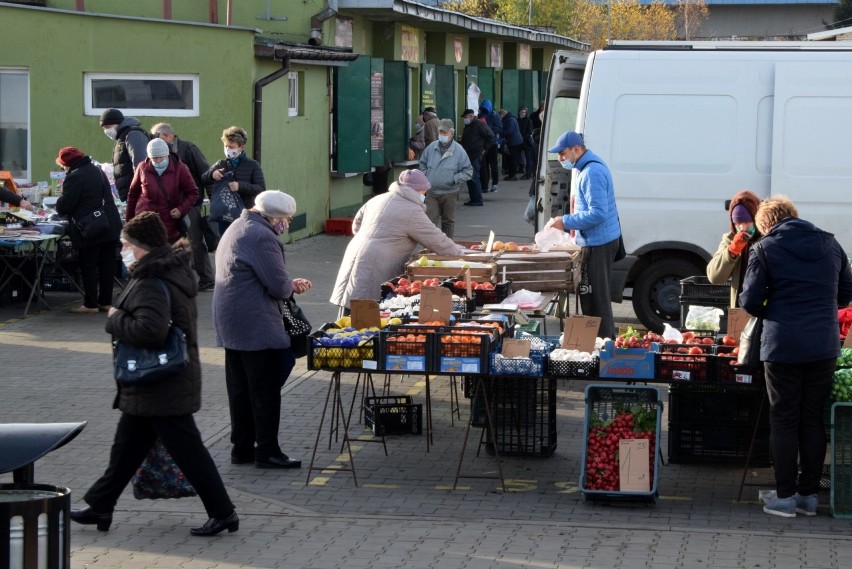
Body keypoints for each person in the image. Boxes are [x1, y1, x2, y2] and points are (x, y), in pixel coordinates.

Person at [70, 212, 238, 537]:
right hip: (156, 384)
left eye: (125, 244)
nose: (122, 249)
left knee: (190, 454)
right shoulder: (168, 270)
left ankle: (224, 512)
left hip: (161, 384)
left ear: (141, 247)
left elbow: (150, 330)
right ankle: (100, 506)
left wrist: (115, 317)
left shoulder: (149, 280)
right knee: (126, 450)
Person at [739, 196, 852, 518]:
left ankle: (785, 496)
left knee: (784, 419)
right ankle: (808, 497)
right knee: (812, 418)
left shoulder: (765, 248)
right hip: (823, 344)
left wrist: (774, 309)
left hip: (783, 345)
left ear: (765, 224)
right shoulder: (831, 246)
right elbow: (845, 293)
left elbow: (749, 301)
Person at [212, 190, 312, 469]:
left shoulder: (239, 225)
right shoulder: (262, 236)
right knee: (265, 389)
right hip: (255, 324)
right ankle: (267, 450)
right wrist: (290, 285)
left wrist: (288, 283)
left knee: (240, 389)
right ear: (273, 217)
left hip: (233, 322)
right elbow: (278, 286)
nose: (286, 224)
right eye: (286, 219)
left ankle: (241, 448)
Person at [331, 169, 464, 312]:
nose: (424, 196)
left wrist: (372, 238)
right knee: (364, 310)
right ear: (416, 190)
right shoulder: (411, 210)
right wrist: (461, 253)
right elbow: (437, 240)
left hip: (355, 252)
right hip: (379, 261)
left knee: (349, 304)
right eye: (423, 193)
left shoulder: (378, 199)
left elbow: (356, 224)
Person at [547, 131, 621, 339]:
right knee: (593, 298)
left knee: (597, 300)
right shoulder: (584, 168)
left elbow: (598, 213)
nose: (560, 159)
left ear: (576, 149)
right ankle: (598, 343)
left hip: (599, 243)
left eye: (562, 154)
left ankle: (604, 345)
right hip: (596, 240)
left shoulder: (591, 172)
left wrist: (565, 221)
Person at [54, 146, 122, 314]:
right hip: (108, 223)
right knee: (107, 265)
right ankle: (106, 302)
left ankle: (90, 304)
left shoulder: (74, 177)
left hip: (90, 228)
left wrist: (59, 201)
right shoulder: (98, 171)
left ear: (67, 164)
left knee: (89, 265)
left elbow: (64, 207)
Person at [151, 123, 215, 291]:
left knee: (194, 240)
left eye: (155, 137)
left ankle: (206, 278)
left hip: (190, 203)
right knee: (176, 241)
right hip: (170, 206)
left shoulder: (188, 148)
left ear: (165, 136)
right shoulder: (162, 154)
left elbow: (205, 173)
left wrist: (213, 197)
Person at [126, 138, 199, 243]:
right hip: (146, 225)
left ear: (167, 155)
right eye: (155, 158)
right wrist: (129, 222)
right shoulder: (142, 167)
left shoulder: (180, 168)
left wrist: (181, 209)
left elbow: (193, 192)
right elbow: (133, 194)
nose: (158, 161)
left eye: (161, 157)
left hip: (170, 226)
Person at [201, 126, 266, 235]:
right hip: (225, 215)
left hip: (246, 215)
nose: (227, 150)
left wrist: (239, 186)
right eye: (226, 146)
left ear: (241, 147)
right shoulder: (221, 164)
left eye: (231, 147)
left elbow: (261, 189)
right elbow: (204, 178)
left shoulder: (252, 165)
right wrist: (212, 175)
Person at [706, 190, 762, 307]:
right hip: (739, 310)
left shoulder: (767, 239)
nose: (742, 228)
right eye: (737, 223)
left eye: (747, 222)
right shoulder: (729, 239)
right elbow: (715, 277)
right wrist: (732, 252)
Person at [419, 118, 473, 239]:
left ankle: (447, 247)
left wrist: (454, 179)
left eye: (445, 132)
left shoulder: (459, 150)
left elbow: (468, 171)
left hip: (450, 192)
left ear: (451, 133)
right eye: (440, 132)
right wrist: (426, 175)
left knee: (448, 221)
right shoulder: (431, 148)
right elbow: (422, 163)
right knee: (429, 221)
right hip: (432, 192)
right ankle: (430, 247)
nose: (442, 135)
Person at [99, 108, 149, 202]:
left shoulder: (132, 134)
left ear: (117, 123)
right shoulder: (121, 137)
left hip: (137, 194)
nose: (106, 131)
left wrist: (139, 189)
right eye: (104, 128)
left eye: (108, 126)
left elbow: (140, 164)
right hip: (129, 193)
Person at [459, 108, 494, 207]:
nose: (465, 119)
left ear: (471, 116)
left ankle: (477, 199)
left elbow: (491, 136)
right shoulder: (469, 125)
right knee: (470, 177)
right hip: (469, 154)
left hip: (475, 154)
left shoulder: (479, 125)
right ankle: (473, 198)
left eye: (466, 117)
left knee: (474, 177)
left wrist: (484, 150)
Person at [478, 100, 503, 193]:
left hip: (492, 144)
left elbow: (499, 128)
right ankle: (484, 185)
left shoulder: (495, 116)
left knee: (493, 165)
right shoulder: (480, 115)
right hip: (483, 144)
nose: (484, 111)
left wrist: (487, 128)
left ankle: (495, 184)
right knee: (484, 166)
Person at [498, 109, 524, 181]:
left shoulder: (510, 120)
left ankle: (512, 176)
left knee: (513, 159)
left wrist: (500, 132)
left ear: (502, 114)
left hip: (515, 142)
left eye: (499, 116)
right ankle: (511, 175)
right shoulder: (510, 119)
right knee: (512, 159)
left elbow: (509, 131)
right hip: (515, 141)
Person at [517, 107, 534, 180]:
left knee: (528, 159)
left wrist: (523, 137)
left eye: (524, 112)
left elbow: (529, 131)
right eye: (522, 112)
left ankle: (528, 174)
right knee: (518, 157)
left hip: (526, 141)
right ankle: (521, 170)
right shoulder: (517, 120)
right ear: (519, 113)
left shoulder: (528, 120)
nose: (523, 114)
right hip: (520, 141)